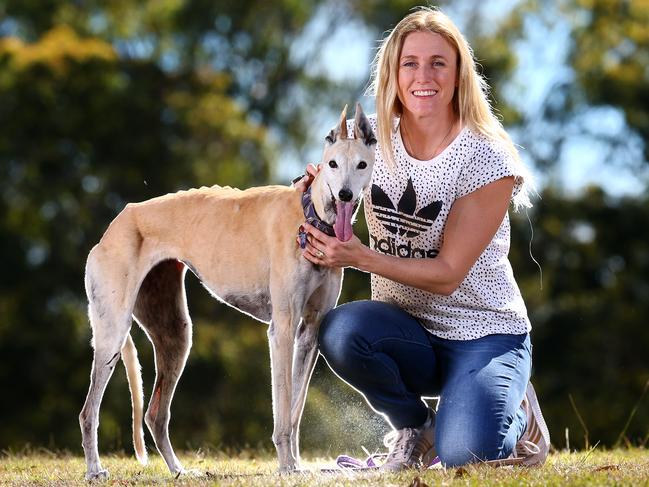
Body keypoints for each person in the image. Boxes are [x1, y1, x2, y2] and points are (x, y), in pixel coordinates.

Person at [294, 6, 550, 470]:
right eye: (410, 63)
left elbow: (449, 274)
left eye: (438, 63)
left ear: (459, 75)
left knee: (466, 455)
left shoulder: (487, 157)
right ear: (393, 72)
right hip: (408, 332)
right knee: (341, 330)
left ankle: (516, 410)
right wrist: (315, 193)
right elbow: (334, 187)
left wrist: (359, 258)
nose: (422, 76)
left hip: (485, 333)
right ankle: (416, 428)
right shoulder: (370, 142)